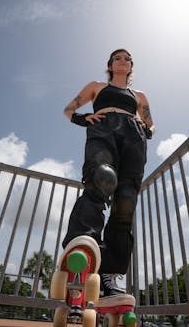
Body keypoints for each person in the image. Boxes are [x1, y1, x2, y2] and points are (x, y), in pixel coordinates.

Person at [61, 48, 155, 298]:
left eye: (127, 58)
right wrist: (85, 118)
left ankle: (111, 273)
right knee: (102, 178)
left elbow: (152, 125)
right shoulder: (97, 86)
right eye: (117, 58)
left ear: (131, 66)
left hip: (133, 138)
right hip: (104, 131)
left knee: (126, 200)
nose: (122, 61)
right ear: (110, 65)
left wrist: (146, 127)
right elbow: (68, 109)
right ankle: (81, 249)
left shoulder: (139, 95)